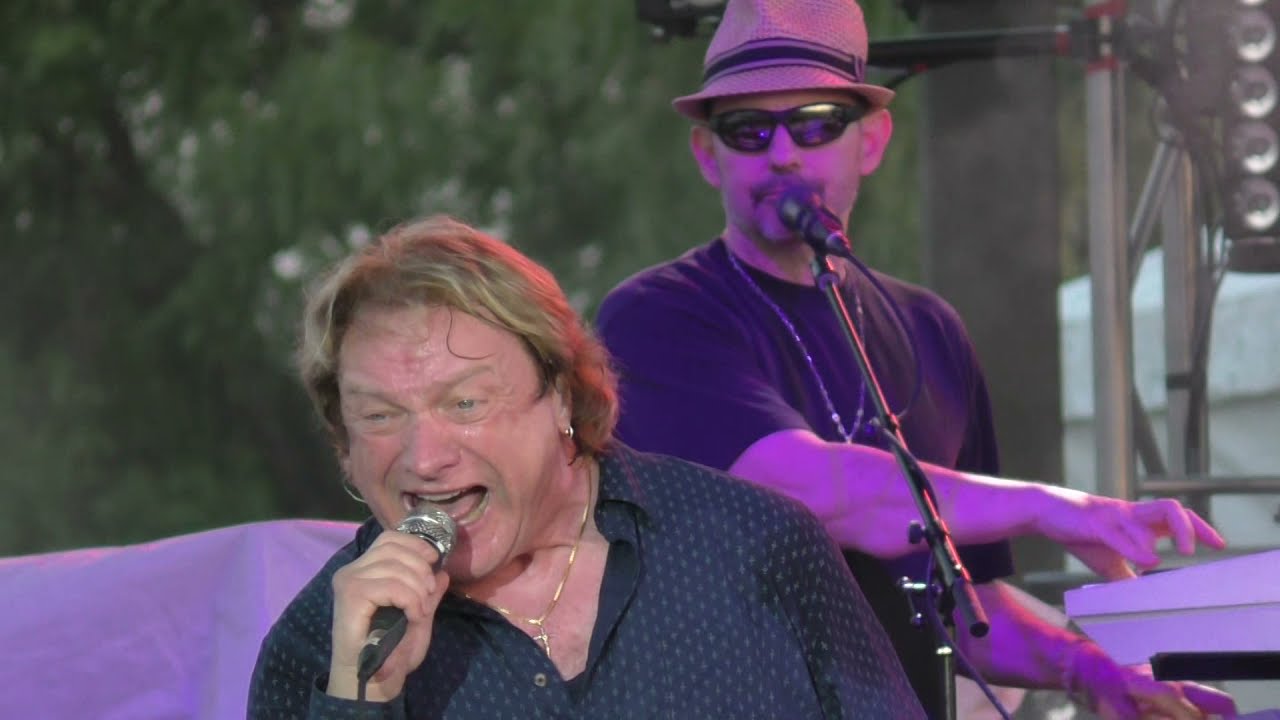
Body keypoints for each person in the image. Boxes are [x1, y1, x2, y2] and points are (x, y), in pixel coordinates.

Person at [595, 0, 1237, 718]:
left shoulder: (929, 329)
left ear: (870, 141)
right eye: (749, 129)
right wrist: (1054, 508)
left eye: (816, 123)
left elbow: (964, 607)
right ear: (706, 154)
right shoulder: (657, 317)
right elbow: (813, 492)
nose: (783, 153)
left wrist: (1095, 672)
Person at [247, 216, 927, 718]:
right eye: (379, 416)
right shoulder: (322, 644)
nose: (424, 458)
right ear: (343, 444)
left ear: (562, 396)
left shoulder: (753, 544)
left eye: (466, 402)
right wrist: (364, 695)